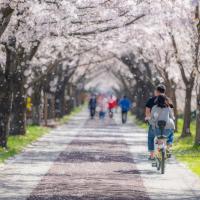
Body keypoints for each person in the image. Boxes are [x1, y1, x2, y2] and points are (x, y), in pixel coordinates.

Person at [145, 84, 174, 160]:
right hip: (166, 126)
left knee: (150, 137)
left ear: (157, 91)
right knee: (171, 133)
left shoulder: (152, 101)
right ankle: (169, 147)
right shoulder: (168, 101)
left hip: (155, 126)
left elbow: (148, 112)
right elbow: (172, 114)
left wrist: (148, 119)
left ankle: (152, 155)